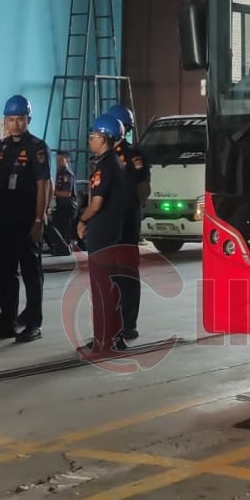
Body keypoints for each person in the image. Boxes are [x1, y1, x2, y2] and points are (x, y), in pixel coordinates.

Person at [0, 95, 49, 345]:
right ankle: (6, 322)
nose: (15, 124)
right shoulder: (1, 147)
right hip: (6, 219)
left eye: (20, 119)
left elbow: (43, 185)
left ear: (28, 120)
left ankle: (34, 323)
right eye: (11, 119)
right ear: (5, 121)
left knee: (31, 272)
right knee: (5, 271)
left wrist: (39, 220)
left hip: (27, 218)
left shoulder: (37, 147)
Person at [76, 114, 129, 358]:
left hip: (102, 234)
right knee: (110, 286)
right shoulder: (114, 163)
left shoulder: (105, 166)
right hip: (112, 232)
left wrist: (82, 220)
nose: (90, 140)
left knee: (101, 289)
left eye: (94, 136)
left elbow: (96, 203)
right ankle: (115, 336)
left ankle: (103, 340)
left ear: (105, 138)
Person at [104, 105, 150, 342]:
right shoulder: (103, 154)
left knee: (126, 274)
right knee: (110, 275)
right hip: (110, 224)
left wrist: (130, 209)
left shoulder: (133, 155)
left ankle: (128, 324)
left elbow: (143, 189)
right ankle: (112, 325)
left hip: (125, 223)